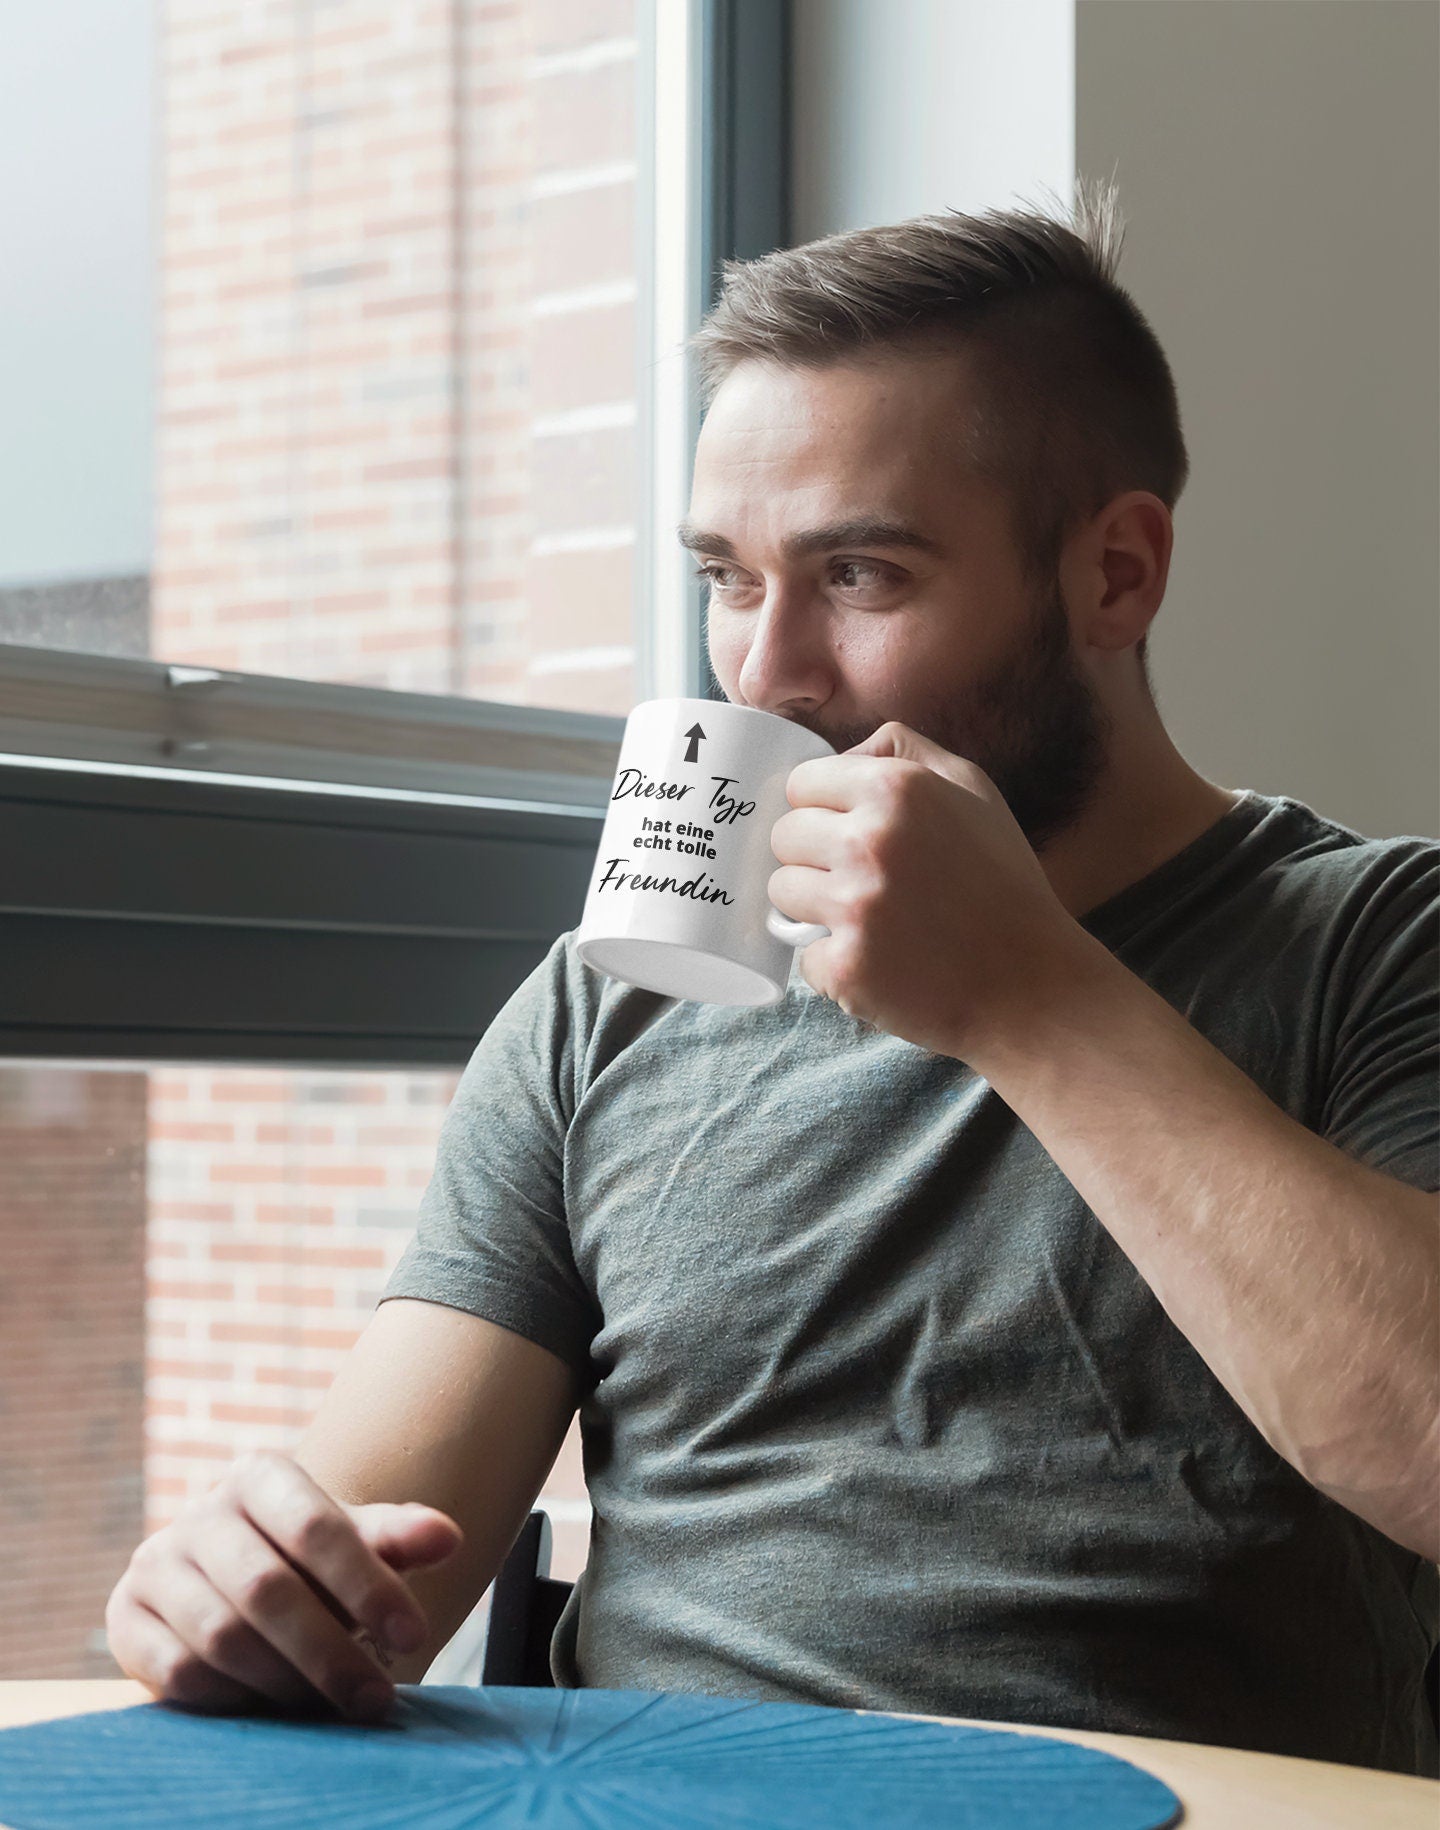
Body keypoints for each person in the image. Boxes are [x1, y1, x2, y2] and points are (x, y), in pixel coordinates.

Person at [105, 178, 1440, 1776]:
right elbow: (383, 1536)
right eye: (729, 577)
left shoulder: (1379, 941)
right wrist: (243, 1589)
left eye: (861, 575)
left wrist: (1031, 997)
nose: (764, 669)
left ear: (1117, 575)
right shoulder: (615, 1001)